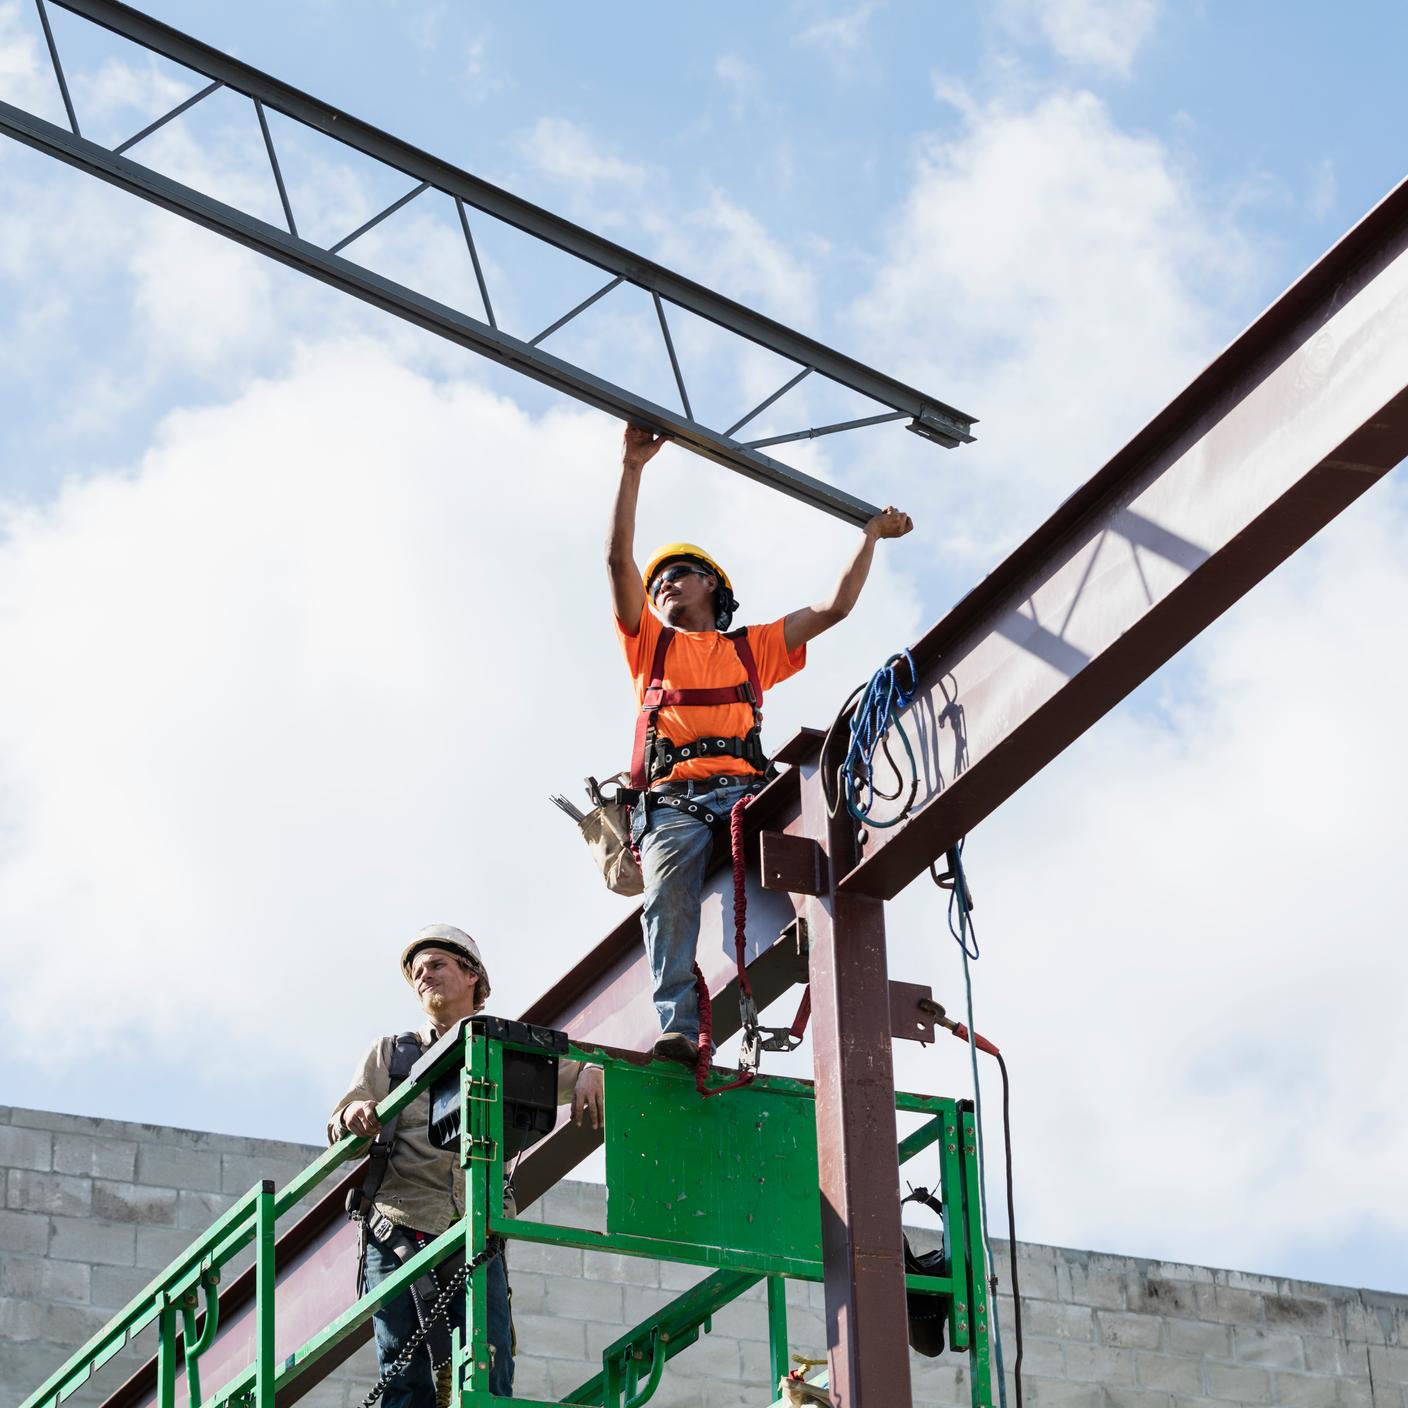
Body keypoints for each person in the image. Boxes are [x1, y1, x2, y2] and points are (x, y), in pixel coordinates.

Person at [606, 424, 914, 1064]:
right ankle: (681, 1026)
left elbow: (833, 609)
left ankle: (827, 958)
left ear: (712, 585)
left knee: (821, 855)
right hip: (675, 801)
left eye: (681, 575)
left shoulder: (751, 648)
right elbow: (617, 561)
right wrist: (631, 468)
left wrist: (869, 539)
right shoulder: (650, 646)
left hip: (749, 791)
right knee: (666, 896)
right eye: (659, 580)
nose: (665, 585)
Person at [330, 924, 604, 1405]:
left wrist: (592, 1069)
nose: (424, 977)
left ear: (472, 975)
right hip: (397, 1227)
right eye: (417, 972)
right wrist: (350, 1117)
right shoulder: (391, 1054)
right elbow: (342, 1127)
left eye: (436, 965)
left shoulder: (503, 1049)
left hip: (474, 1228)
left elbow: (576, 1070)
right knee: (403, 1374)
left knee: (491, 1365)